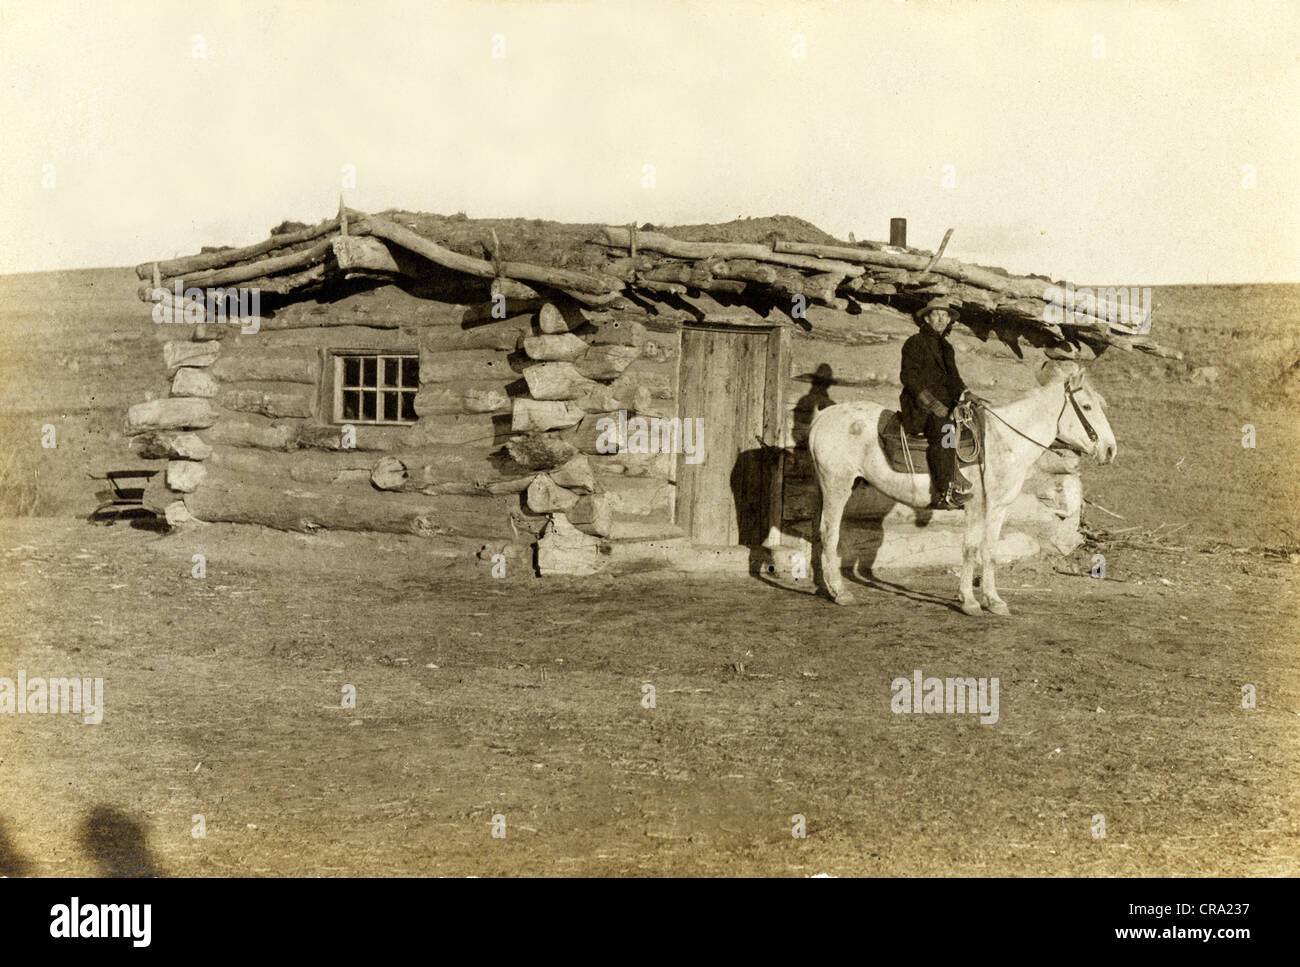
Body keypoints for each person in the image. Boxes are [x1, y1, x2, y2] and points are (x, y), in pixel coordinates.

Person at [899, 297, 980, 509]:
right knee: (945, 429)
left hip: (945, 403)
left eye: (945, 316)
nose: (941, 319)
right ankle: (945, 492)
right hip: (920, 406)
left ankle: (955, 471)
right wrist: (933, 405)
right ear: (927, 318)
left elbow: (954, 379)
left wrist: (967, 394)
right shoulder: (915, 342)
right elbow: (909, 377)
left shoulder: (946, 347)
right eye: (936, 314)